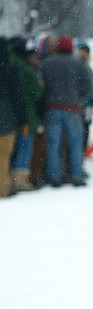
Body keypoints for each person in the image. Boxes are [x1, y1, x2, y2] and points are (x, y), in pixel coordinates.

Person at [38, 35, 93, 187]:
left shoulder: (47, 63)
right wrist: (78, 98)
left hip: (53, 108)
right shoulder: (79, 64)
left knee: (53, 144)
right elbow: (88, 87)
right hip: (73, 109)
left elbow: (41, 86)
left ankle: (54, 176)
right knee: (75, 143)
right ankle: (75, 174)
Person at [8, 37, 43, 192]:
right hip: (26, 114)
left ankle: (7, 177)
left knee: (11, 148)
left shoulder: (7, 62)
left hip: (9, 114)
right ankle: (19, 180)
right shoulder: (26, 69)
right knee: (24, 146)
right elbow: (36, 92)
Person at [0, 40, 29, 197]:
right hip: (6, 118)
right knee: (3, 155)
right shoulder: (11, 69)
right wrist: (23, 119)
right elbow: (18, 96)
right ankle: (2, 189)